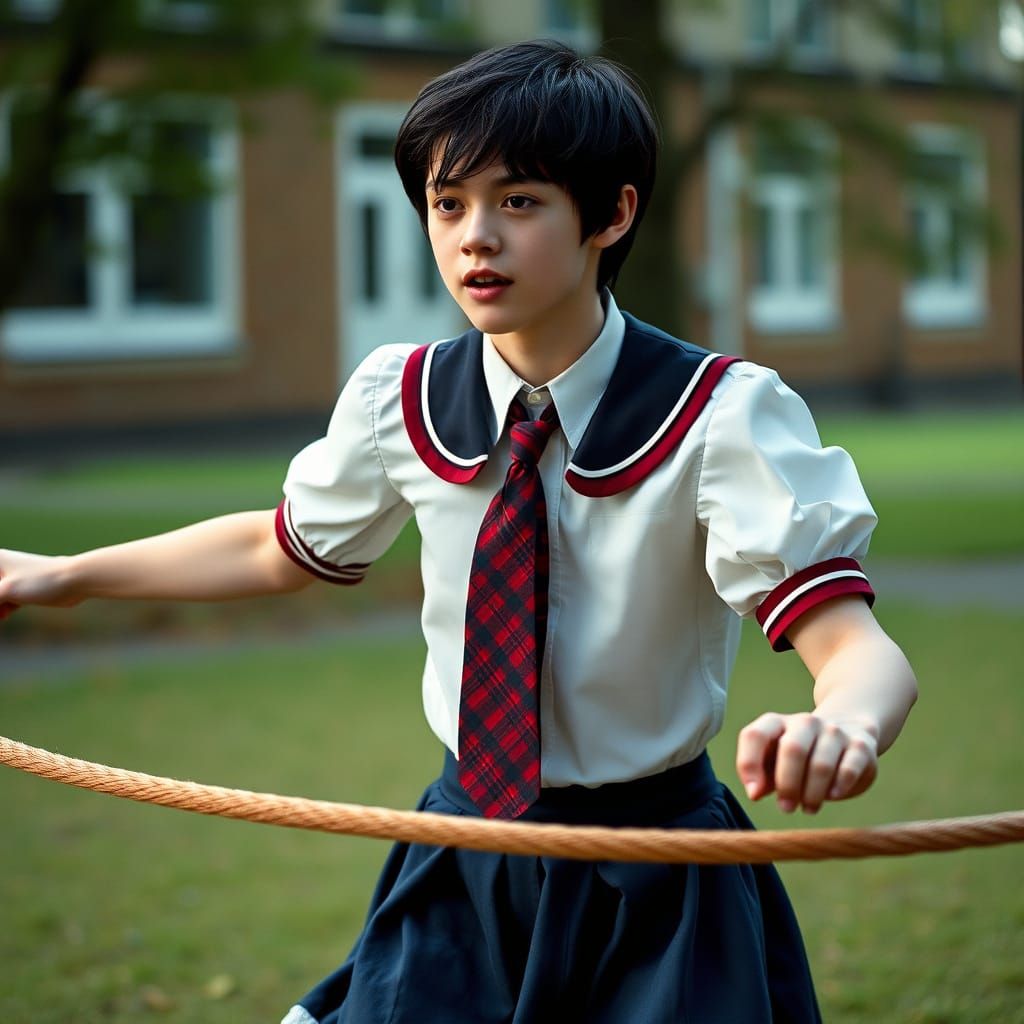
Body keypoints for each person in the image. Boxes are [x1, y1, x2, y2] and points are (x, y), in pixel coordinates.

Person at [0, 39, 917, 1024]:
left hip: (652, 876)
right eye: (449, 204)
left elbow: (857, 648)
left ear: (611, 212)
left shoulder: (721, 415)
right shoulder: (400, 396)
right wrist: (62, 574)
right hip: (460, 854)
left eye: (518, 201)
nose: (475, 237)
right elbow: (275, 546)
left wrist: (843, 724)